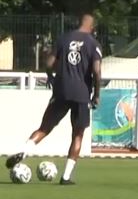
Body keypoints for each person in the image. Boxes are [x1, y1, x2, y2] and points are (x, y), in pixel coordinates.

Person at [5, 14, 102, 185]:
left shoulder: (63, 39)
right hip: (81, 93)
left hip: (61, 90)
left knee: (45, 127)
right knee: (78, 134)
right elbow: (96, 71)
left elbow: (49, 63)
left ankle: (24, 151)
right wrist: (96, 94)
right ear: (92, 27)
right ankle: (66, 177)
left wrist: (51, 77)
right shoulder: (93, 44)